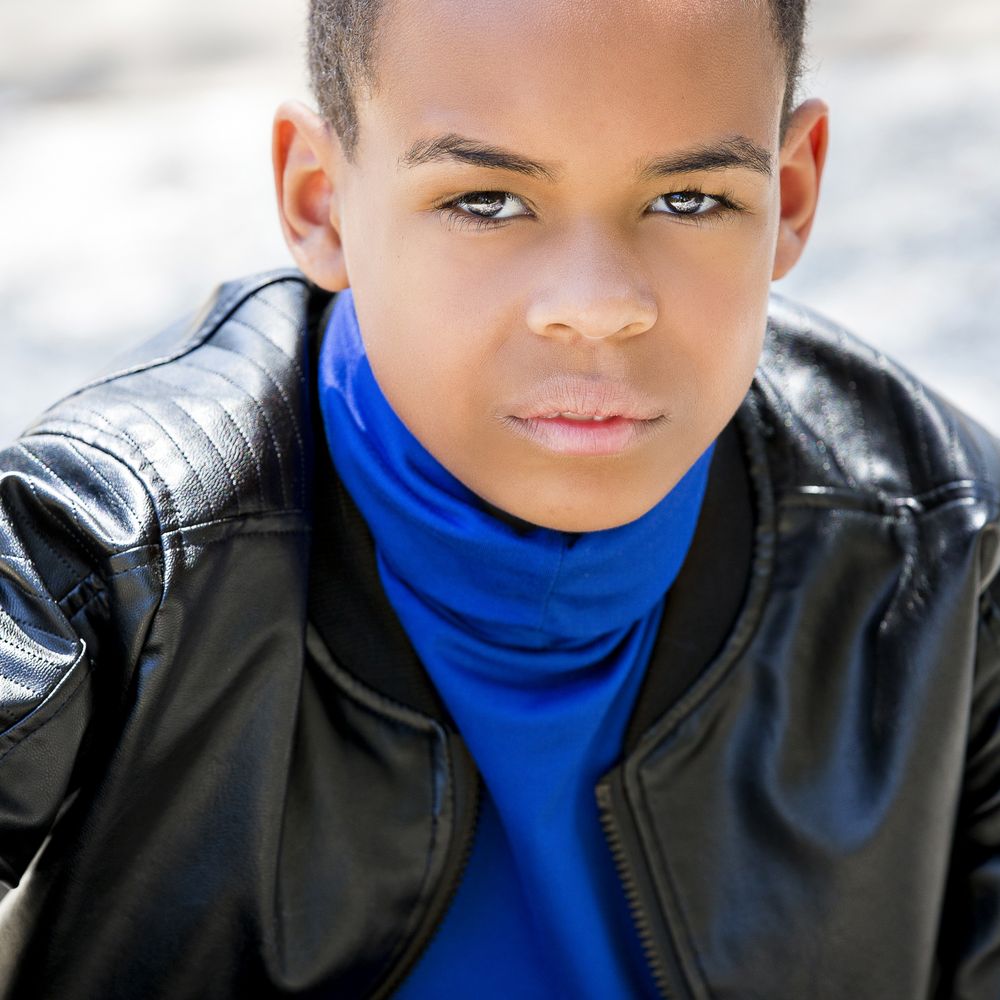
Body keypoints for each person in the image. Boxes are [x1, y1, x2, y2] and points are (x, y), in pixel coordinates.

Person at [0, 0, 996, 996]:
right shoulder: (103, 552)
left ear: (791, 191)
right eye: (486, 200)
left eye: (688, 198)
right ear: (321, 202)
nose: (597, 305)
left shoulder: (952, 566)